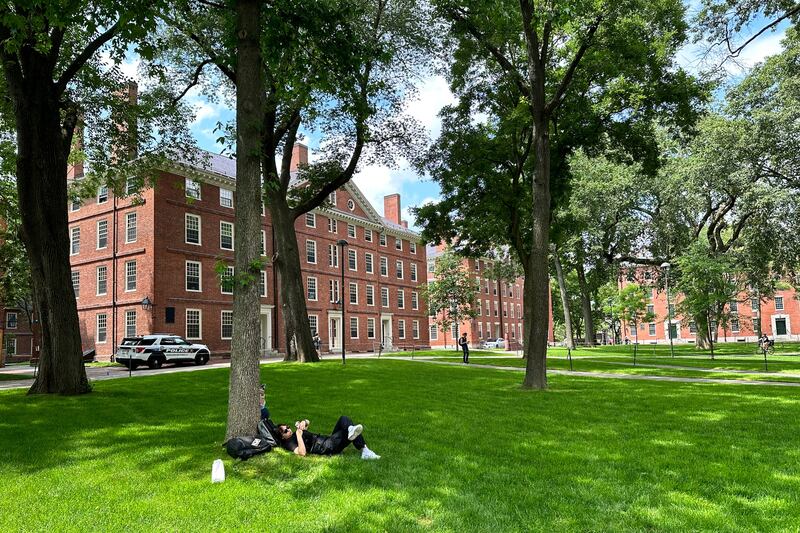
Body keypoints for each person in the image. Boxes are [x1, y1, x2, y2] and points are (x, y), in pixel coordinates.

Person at [276, 416, 380, 460]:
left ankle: (351, 431)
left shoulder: (295, 433)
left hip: (327, 440)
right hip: (327, 447)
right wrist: (299, 435)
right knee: (349, 429)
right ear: (282, 437)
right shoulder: (289, 443)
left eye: (288, 427)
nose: (289, 430)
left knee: (344, 419)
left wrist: (304, 422)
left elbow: (307, 423)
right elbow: (302, 453)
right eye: (285, 431)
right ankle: (364, 450)